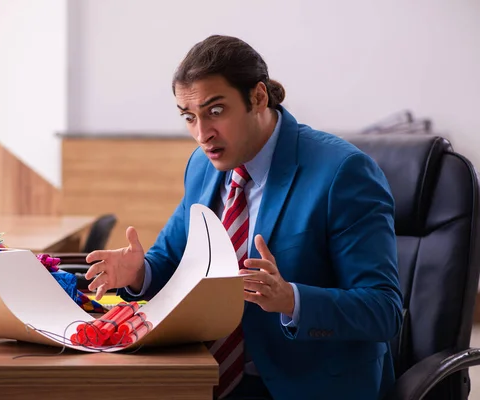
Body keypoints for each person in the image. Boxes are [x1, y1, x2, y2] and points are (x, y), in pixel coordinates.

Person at [84, 35, 403, 400]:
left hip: (308, 385)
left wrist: (292, 300)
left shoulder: (343, 172)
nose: (202, 134)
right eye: (190, 117)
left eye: (215, 111)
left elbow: (384, 310)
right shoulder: (203, 167)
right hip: (209, 376)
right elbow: (170, 260)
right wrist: (138, 273)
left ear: (258, 97)